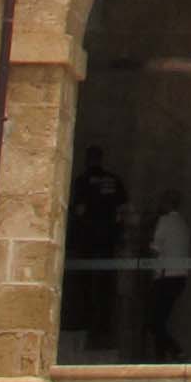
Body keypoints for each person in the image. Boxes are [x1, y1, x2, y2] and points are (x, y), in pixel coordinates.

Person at [65, 145, 128, 348]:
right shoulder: (113, 180)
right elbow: (122, 209)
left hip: (87, 241)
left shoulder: (83, 182)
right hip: (107, 241)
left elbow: (79, 210)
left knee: (83, 285)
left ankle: (84, 323)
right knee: (105, 285)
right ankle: (102, 326)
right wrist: (118, 233)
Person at [146, 191, 191, 363]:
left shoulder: (164, 222)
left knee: (153, 320)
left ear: (166, 204)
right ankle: (162, 357)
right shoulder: (183, 224)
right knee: (160, 320)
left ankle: (175, 350)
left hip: (165, 277)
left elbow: (155, 250)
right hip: (180, 277)